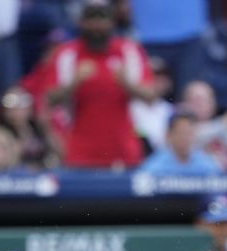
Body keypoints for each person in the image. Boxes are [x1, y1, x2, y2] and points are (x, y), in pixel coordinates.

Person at [45, 0, 155, 169]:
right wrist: (74, 82)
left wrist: (127, 84)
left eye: (102, 20)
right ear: (82, 23)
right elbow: (49, 99)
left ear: (112, 22)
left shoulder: (128, 50)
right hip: (79, 151)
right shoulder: (68, 54)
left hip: (123, 150)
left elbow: (150, 96)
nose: (96, 26)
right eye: (91, 20)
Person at [137, 109, 221, 175]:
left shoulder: (204, 162)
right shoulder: (155, 166)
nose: (185, 138)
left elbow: (218, 187)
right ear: (169, 135)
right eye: (180, 132)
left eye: (189, 133)